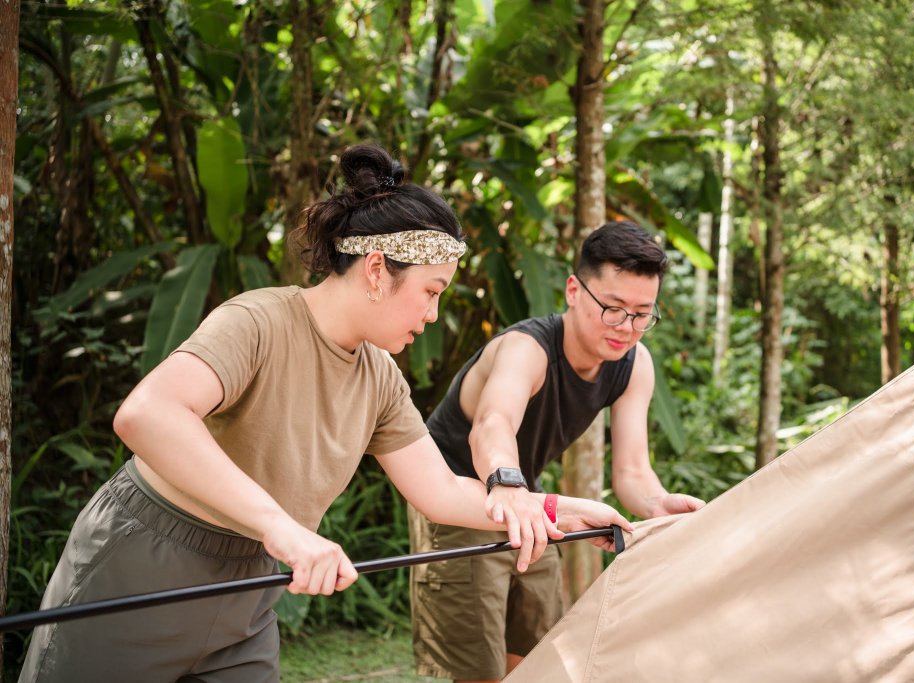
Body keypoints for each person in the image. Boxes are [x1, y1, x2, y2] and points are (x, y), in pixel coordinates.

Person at [18, 144, 631, 683]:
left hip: (250, 588)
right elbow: (147, 415)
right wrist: (281, 528)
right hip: (146, 562)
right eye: (432, 292)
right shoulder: (258, 320)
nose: (433, 315)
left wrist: (560, 510)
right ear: (375, 271)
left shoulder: (380, 376)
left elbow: (441, 492)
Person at [409, 220, 706, 682]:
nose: (626, 328)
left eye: (642, 314)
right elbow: (492, 425)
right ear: (573, 290)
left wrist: (657, 505)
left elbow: (631, 470)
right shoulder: (526, 348)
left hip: (527, 499)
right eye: (613, 308)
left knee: (540, 656)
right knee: (480, 673)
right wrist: (507, 485)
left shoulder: (633, 363)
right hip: (457, 497)